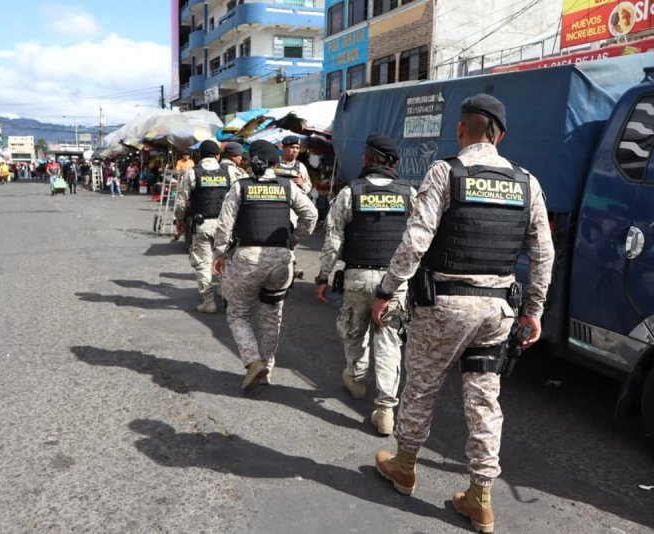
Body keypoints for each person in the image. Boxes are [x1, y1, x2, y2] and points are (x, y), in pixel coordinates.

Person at [370, 94, 555, 533]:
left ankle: (405, 466)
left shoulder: (445, 171)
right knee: (484, 398)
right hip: (498, 309)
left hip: (445, 306)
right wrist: (534, 310)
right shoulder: (527, 182)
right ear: (501, 135)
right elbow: (544, 252)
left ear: (460, 130)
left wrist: (386, 290)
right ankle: (481, 496)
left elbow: (415, 242)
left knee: (421, 386)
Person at [315, 134, 416, 435]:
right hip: (394, 281)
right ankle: (385, 408)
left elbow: (333, 240)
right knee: (388, 339)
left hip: (358, 277)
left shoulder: (350, 193)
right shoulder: (409, 193)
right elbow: (419, 241)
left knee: (354, 329)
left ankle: (356, 379)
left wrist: (322, 276)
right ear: (394, 163)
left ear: (365, 160)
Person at [212, 140, 318, 390]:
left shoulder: (240, 187)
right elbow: (311, 214)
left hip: (247, 259)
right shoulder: (288, 186)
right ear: (275, 163)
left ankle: (252, 362)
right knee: (272, 316)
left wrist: (219, 253)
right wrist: (292, 241)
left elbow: (224, 223)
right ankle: (268, 368)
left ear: (252, 161)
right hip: (281, 261)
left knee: (238, 313)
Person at [174, 140, 235, 313]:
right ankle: (225, 294)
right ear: (217, 156)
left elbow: (180, 203)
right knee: (226, 261)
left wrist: (179, 222)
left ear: (199, 156)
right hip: (226, 225)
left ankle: (208, 302)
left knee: (202, 263)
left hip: (202, 225)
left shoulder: (191, 173)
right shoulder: (230, 172)